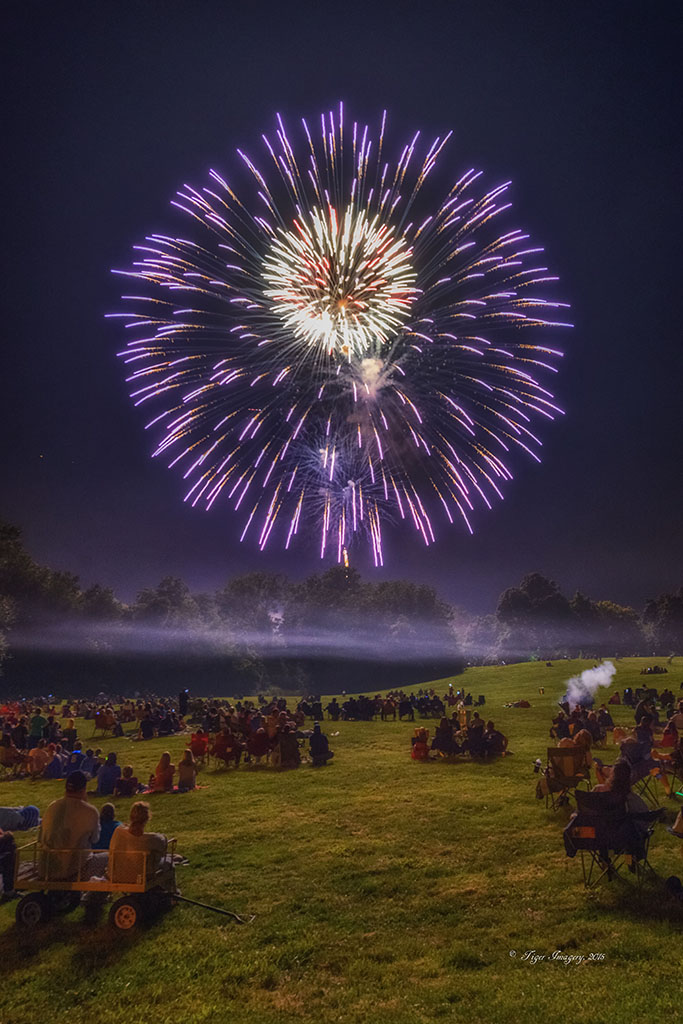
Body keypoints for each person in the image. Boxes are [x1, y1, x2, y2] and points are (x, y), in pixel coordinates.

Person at [40, 771, 106, 880]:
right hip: (72, 868)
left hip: (46, 867)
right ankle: (94, 896)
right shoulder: (90, 811)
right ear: (83, 789)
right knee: (108, 858)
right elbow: (95, 839)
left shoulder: (52, 806)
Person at [108, 802, 168, 884]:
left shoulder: (118, 831)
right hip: (140, 876)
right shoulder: (152, 839)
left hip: (117, 874)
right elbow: (163, 844)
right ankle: (172, 891)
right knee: (168, 863)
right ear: (147, 818)